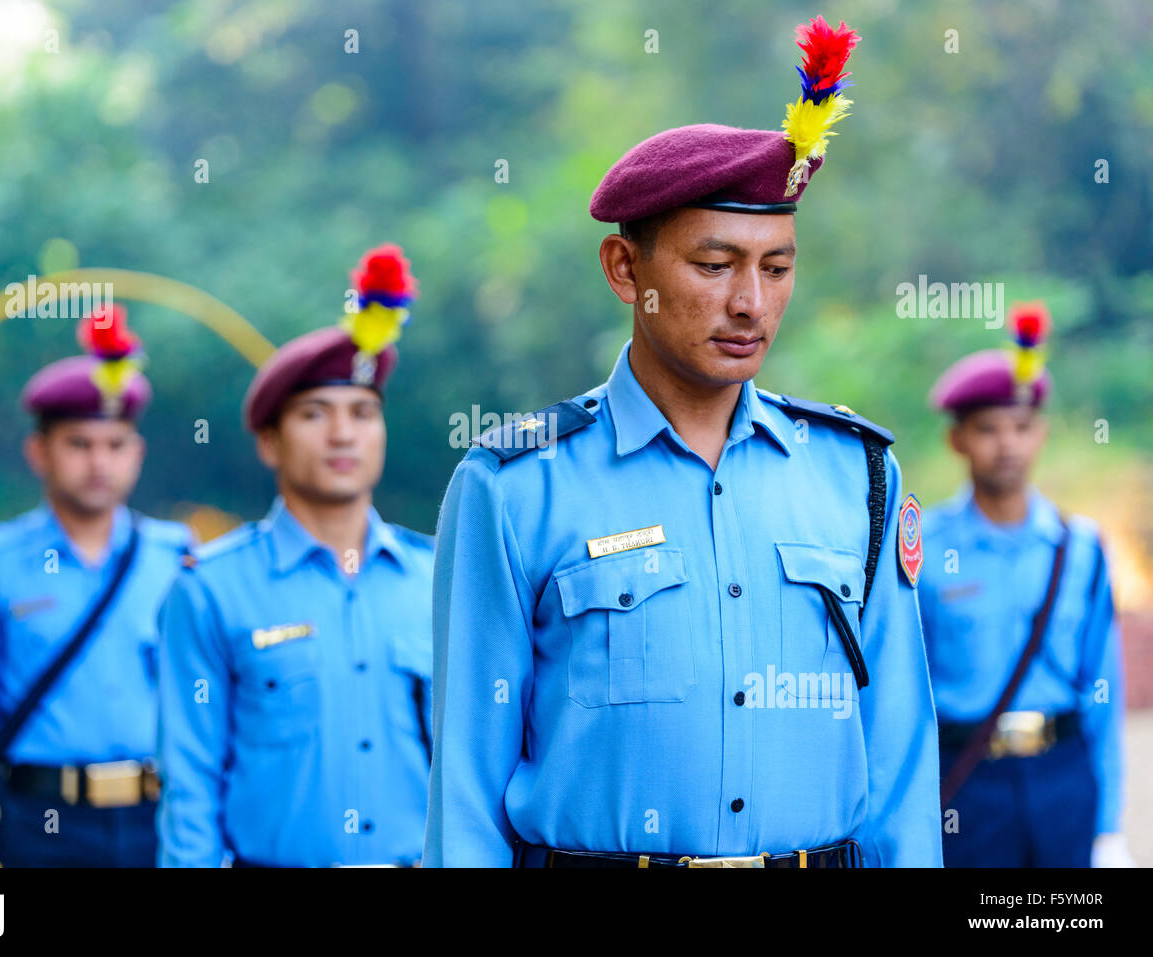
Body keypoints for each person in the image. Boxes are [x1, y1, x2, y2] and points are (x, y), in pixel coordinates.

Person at [425, 17, 942, 868]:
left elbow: (899, 759)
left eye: (777, 268)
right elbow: (466, 796)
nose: (751, 303)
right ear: (627, 271)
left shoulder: (858, 475)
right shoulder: (515, 485)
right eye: (714, 265)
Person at [157, 244, 435, 867]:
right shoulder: (209, 591)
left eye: (363, 413)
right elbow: (190, 788)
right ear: (268, 442)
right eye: (315, 413)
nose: (343, 434)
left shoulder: (438, 580)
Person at [0, 305, 192, 867]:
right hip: (41, 826)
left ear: (137, 452)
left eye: (115, 444)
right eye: (79, 444)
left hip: (156, 823)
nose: (99, 463)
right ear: (39, 452)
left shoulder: (179, 562)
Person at [921, 301, 1131, 868]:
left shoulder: (1080, 548)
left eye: (1021, 427)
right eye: (987, 429)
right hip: (967, 785)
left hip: (1062, 775)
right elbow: (905, 696)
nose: (1006, 445)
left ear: (1041, 434)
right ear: (957, 440)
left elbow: (1104, 692)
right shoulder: (924, 550)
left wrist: (1109, 826)